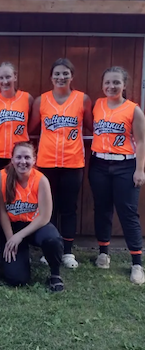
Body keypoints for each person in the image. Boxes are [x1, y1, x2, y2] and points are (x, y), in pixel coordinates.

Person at [29, 58, 93, 269]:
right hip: (46, 162)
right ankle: (50, 249)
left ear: (72, 76)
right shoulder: (42, 100)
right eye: (57, 73)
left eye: (65, 73)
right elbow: (31, 128)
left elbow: (91, 127)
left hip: (73, 162)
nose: (61, 77)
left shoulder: (82, 99)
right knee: (48, 207)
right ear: (51, 77)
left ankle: (67, 251)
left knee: (68, 208)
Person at [89, 66, 145, 284]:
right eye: (107, 83)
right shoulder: (98, 105)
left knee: (128, 213)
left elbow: (141, 141)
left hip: (125, 165)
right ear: (103, 84)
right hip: (99, 163)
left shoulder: (133, 109)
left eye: (116, 83)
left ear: (124, 85)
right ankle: (103, 253)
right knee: (102, 209)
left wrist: (140, 169)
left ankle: (137, 264)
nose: (111, 87)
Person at [0, 142, 64, 292]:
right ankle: (22, 257)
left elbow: (45, 216)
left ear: (34, 160)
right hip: (12, 226)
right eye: (18, 157)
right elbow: (2, 212)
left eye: (27, 157)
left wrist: (19, 236)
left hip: (35, 225)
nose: (23, 161)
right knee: (16, 279)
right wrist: (10, 239)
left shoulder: (41, 179)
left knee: (52, 239)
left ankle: (55, 274)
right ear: (12, 159)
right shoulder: (2, 177)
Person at [0, 62, 33, 181]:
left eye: (8, 77)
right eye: (1, 77)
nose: (5, 81)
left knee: (16, 192)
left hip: (19, 156)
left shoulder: (27, 98)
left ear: (15, 77)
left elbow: (30, 124)